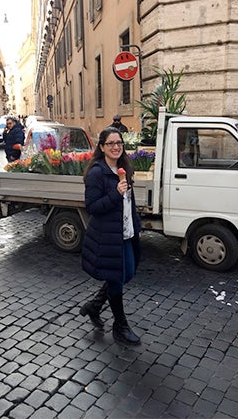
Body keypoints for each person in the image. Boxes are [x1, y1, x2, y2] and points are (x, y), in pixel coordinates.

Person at [80, 127, 142, 345]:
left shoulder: (124, 168)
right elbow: (93, 207)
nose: (116, 147)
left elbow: (129, 202)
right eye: (111, 144)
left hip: (126, 232)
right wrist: (115, 194)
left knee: (127, 272)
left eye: (119, 143)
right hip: (108, 235)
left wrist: (136, 224)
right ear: (102, 147)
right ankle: (120, 326)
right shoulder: (97, 173)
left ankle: (94, 306)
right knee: (117, 276)